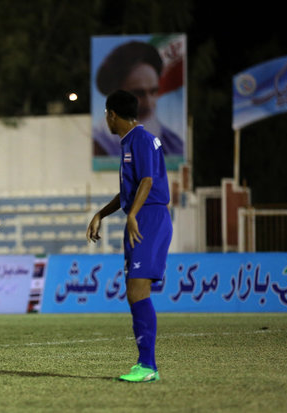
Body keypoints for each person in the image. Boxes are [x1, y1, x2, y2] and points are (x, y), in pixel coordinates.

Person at [87, 90, 172, 382]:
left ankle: (147, 366)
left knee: (137, 290)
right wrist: (101, 213)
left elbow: (147, 181)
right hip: (141, 216)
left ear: (112, 114)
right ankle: (146, 365)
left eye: (106, 115)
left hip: (149, 217)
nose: (105, 120)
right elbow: (130, 190)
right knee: (134, 291)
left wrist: (133, 214)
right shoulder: (131, 141)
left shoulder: (142, 139)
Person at [93, 41, 183, 157]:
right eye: (138, 94)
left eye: (153, 92)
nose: (149, 104)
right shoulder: (98, 146)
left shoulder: (174, 145)